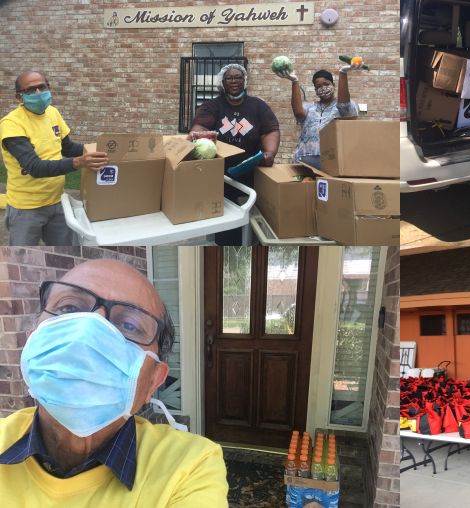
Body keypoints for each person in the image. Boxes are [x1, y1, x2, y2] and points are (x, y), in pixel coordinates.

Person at [0, 259, 228, 505]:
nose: (87, 333)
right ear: (32, 336)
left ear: (153, 381)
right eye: (69, 308)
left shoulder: (190, 465)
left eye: (129, 325)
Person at [0, 70, 108, 245]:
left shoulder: (52, 113)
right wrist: (79, 162)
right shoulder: (12, 125)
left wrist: (97, 150)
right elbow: (34, 167)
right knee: (23, 261)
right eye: (30, 90)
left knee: (66, 255)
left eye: (42, 87)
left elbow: (68, 147)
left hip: (57, 202)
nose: (38, 93)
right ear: (19, 98)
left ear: (49, 88)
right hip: (25, 209)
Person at [190, 63, 280, 245]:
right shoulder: (212, 106)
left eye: (238, 77)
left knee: (249, 224)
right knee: (224, 227)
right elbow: (200, 128)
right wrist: (198, 137)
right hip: (220, 177)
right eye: (229, 78)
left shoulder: (258, 106)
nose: (234, 81)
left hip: (251, 175)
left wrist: (269, 152)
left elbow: (270, 130)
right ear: (222, 83)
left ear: (244, 80)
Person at [276, 60, 363, 162]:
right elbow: (299, 113)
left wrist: (343, 73)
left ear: (333, 85)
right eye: (318, 87)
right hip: (303, 161)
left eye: (326, 84)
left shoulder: (342, 108)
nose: (323, 88)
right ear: (315, 90)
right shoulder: (310, 107)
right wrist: (295, 81)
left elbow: (343, 104)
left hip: (331, 162)